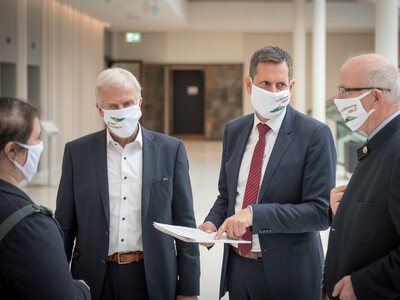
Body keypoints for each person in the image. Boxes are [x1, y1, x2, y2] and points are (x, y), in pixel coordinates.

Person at [198, 46, 337, 300]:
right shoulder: (234, 130)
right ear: (249, 85)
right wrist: (212, 223)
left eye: (280, 84)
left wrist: (255, 214)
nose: (274, 92)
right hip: (239, 267)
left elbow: (319, 213)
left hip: (290, 273)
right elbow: (227, 196)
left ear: (291, 86)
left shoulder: (314, 135)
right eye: (265, 83)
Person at [55, 67, 200, 300]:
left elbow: (185, 223)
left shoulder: (170, 150)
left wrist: (189, 288)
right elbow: (64, 227)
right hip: (92, 278)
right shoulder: (76, 152)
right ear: (99, 110)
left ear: (140, 103)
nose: (121, 111)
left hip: (152, 274)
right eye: (112, 106)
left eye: (128, 103)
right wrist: (56, 284)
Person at [324, 53, 400, 300]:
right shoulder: (379, 141)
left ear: (375, 97)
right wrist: (348, 209)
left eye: (345, 90)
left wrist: (364, 284)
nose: (338, 99)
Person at [0, 97, 91, 300]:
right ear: (12, 150)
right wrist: (80, 290)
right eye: (36, 138)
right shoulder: (30, 227)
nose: (40, 145)